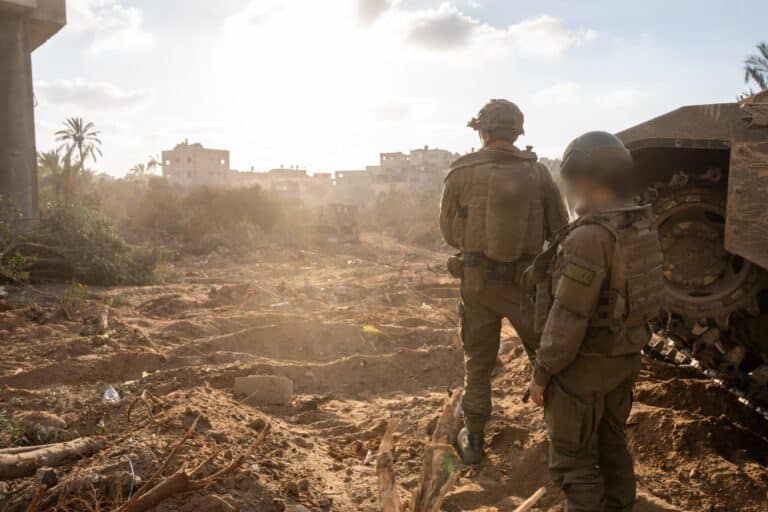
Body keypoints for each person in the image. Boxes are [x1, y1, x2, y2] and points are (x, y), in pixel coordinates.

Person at [527, 131, 665, 511]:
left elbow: (569, 315)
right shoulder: (638, 223)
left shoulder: (589, 236)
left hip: (584, 368)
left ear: (587, 178)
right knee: (613, 445)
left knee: (574, 461)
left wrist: (542, 373)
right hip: (624, 358)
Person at [439, 99, 569, 464]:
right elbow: (561, 230)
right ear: (517, 132)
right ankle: (563, 438)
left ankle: (474, 441)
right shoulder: (538, 173)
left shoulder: (460, 173)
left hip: (476, 286)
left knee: (478, 365)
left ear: (482, 132)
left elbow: (449, 232)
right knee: (546, 360)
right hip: (527, 287)